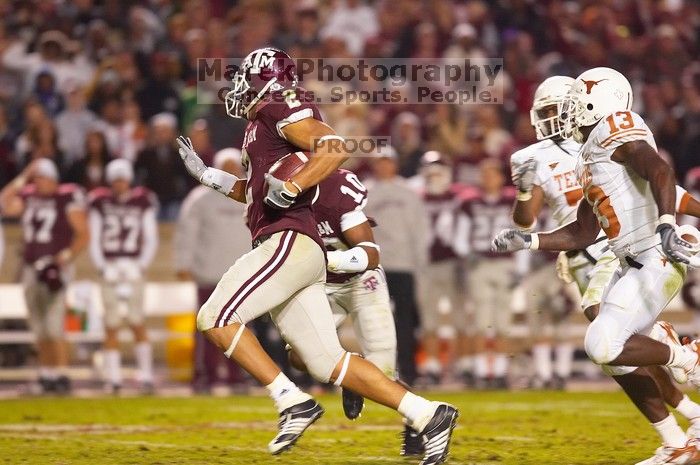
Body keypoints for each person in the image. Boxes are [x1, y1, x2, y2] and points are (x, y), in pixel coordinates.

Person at [177, 47, 457, 465]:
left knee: (215, 317)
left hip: (288, 240)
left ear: (265, 77)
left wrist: (293, 187)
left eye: (245, 77)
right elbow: (251, 192)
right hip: (292, 246)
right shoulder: (260, 126)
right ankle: (430, 415)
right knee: (327, 362)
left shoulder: (278, 103)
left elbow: (333, 147)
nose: (238, 87)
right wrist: (209, 177)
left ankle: (291, 401)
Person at [493, 67, 700, 463]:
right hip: (629, 263)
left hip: (654, 256)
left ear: (595, 102)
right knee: (614, 358)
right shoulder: (590, 155)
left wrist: (668, 223)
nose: (567, 112)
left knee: (602, 342)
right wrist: (530, 239)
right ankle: (677, 442)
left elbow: (659, 171)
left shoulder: (615, 127)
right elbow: (584, 231)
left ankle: (687, 358)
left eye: (573, 103)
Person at [509, 76, 583, 389]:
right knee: (544, 315)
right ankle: (545, 374)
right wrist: (524, 193)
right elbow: (525, 222)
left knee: (613, 328)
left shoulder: (605, 144)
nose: (549, 117)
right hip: (563, 249)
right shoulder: (533, 156)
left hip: (615, 244)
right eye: (545, 110)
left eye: (557, 109)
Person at [0, 159, 89, 394]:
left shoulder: (66, 197)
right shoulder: (29, 195)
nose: (37, 181)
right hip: (30, 267)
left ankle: (62, 374)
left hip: (54, 269)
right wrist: (23, 175)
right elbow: (5, 202)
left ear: (52, 177)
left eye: (41, 176)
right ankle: (47, 374)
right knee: (39, 327)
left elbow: (83, 233)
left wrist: (68, 255)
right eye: (35, 177)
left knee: (53, 325)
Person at [174, 149, 248, 393]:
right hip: (209, 272)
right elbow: (186, 232)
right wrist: (183, 264)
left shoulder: (250, 195)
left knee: (241, 329)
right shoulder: (200, 198)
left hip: (241, 274)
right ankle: (204, 375)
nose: (230, 170)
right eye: (225, 166)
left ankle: (238, 376)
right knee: (208, 329)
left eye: (234, 165)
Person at [88, 159, 158, 394]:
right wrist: (101, 266)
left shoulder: (142, 200)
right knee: (111, 324)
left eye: (122, 179)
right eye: (115, 179)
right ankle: (114, 378)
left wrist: (141, 264)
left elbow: (150, 237)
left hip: (132, 265)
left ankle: (146, 376)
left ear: (128, 179)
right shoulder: (100, 201)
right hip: (110, 266)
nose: (119, 184)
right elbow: (94, 236)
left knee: (137, 321)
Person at [364, 146, 430, 386]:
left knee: (405, 321)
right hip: (374, 265)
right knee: (375, 321)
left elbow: (420, 229)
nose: (383, 166)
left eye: (387, 161)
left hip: (404, 264)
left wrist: (419, 263)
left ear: (394, 164)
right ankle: (379, 370)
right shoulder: (365, 191)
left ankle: (409, 371)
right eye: (379, 161)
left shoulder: (408, 192)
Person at [454, 159, 516, 389]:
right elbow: (460, 235)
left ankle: (499, 372)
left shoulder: (512, 200)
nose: (488, 178)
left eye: (492, 173)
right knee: (482, 321)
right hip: (480, 263)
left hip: (505, 264)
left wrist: (520, 267)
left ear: (501, 177)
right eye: (484, 173)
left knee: (502, 321)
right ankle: (482, 371)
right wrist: (467, 254)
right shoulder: (470, 201)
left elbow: (523, 232)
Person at [415, 151, 468, 385]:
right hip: (425, 264)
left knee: (460, 317)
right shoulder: (415, 197)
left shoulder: (461, 197)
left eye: (439, 169)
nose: (434, 174)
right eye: (430, 169)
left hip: (452, 263)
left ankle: (463, 364)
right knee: (429, 319)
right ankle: (433, 365)